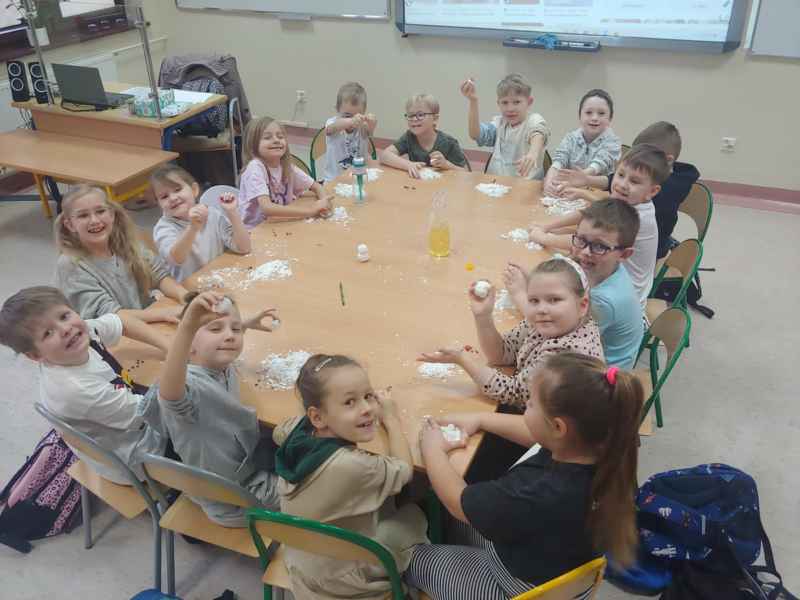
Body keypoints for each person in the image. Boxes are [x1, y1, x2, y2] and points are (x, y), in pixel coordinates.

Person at [406, 352, 644, 599]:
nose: (526, 405)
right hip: (557, 567)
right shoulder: (608, 453)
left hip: (518, 589)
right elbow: (536, 433)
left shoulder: (534, 493)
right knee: (446, 520)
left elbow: (456, 501)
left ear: (558, 427)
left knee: (408, 557)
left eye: (530, 403)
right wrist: (481, 419)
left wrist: (432, 448)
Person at [273, 354, 429, 600]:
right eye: (349, 402)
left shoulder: (297, 431)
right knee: (415, 512)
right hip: (341, 580)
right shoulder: (353, 465)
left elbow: (278, 432)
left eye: (368, 396)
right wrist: (390, 418)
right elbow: (404, 470)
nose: (367, 409)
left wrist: (321, 408)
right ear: (317, 417)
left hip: (302, 557)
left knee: (382, 504)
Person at [0, 286, 169, 484]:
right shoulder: (76, 390)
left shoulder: (79, 334)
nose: (65, 329)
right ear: (35, 355)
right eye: (47, 333)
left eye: (64, 316)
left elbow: (121, 322)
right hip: (142, 454)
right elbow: (153, 413)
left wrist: (169, 345)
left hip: (131, 413)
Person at [152, 291, 281, 526]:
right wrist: (187, 326)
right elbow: (169, 395)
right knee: (318, 493)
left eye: (235, 329)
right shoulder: (188, 388)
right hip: (235, 499)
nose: (230, 336)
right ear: (188, 343)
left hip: (238, 471)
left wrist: (245, 324)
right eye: (215, 329)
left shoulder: (215, 361)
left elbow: (218, 338)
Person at [418, 258, 603, 408]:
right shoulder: (551, 322)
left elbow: (512, 393)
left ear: (582, 305)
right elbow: (502, 354)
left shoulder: (568, 354)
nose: (541, 309)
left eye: (554, 300)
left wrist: (463, 360)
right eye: (534, 300)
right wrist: (483, 316)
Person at [530, 144, 670, 309]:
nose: (622, 184)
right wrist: (548, 226)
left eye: (634, 181)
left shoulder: (638, 217)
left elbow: (585, 243)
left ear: (652, 191)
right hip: (611, 273)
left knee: (545, 293)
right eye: (620, 175)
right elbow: (591, 212)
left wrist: (544, 237)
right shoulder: (630, 201)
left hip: (621, 298)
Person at [54, 185, 189, 321]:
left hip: (143, 321)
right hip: (117, 331)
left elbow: (158, 275)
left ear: (111, 214)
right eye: (83, 215)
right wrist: (162, 314)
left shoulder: (125, 242)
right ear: (70, 225)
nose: (94, 220)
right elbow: (109, 316)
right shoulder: (70, 265)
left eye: (100, 211)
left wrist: (186, 297)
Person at [572, 200, 643, 369]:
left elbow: (562, 337)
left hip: (599, 376)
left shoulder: (603, 300)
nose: (585, 252)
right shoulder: (609, 269)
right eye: (581, 240)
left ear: (624, 254)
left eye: (599, 247)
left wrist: (520, 294)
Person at [151, 165, 251, 283]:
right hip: (191, 288)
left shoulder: (212, 214)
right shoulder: (163, 228)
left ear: (194, 190)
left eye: (177, 190)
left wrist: (232, 212)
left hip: (221, 278)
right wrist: (193, 228)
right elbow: (176, 258)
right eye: (164, 197)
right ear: (158, 204)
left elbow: (244, 248)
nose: (172, 198)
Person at [238, 116, 334, 228]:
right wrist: (311, 210)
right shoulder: (255, 168)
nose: (276, 140)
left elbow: (316, 186)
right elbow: (267, 208)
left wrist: (323, 202)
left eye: (280, 136)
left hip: (279, 224)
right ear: (252, 146)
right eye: (267, 137)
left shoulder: (286, 166)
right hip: (254, 230)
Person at [460, 73, 550, 179]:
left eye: (517, 102)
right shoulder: (499, 123)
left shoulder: (534, 120)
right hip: (497, 183)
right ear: (498, 103)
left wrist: (532, 154)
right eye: (505, 103)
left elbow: (538, 134)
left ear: (529, 102)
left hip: (526, 185)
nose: (510, 108)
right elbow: (475, 134)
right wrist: (473, 101)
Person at [631, 121, 700, 259]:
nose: (636, 162)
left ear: (668, 160)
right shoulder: (655, 176)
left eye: (644, 157)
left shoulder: (666, 190)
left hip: (648, 252)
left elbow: (625, 213)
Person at [543, 89, 621, 197]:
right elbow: (558, 162)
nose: (594, 118)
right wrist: (549, 181)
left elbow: (598, 165)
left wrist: (578, 179)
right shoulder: (570, 138)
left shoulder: (613, 142)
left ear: (610, 118)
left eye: (601, 113)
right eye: (588, 113)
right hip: (570, 192)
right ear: (580, 116)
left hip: (598, 196)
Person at [380, 93, 468, 178]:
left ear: (435, 119)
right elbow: (384, 155)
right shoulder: (409, 137)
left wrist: (446, 164)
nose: (414, 119)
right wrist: (408, 165)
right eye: (410, 115)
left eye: (420, 115)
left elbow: (465, 173)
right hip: (418, 185)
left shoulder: (449, 143)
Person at [322, 81, 378, 183]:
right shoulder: (333, 123)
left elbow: (369, 134)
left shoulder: (362, 126)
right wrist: (351, 121)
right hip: (333, 180)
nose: (354, 119)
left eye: (357, 115)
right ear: (337, 109)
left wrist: (372, 124)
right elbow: (330, 130)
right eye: (347, 115)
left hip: (358, 178)